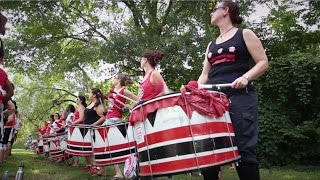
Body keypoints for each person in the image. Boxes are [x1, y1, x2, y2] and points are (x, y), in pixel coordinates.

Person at [198, 1, 268, 180]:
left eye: (215, 9)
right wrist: (196, 90)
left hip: (240, 98)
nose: (211, 13)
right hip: (213, 100)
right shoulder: (211, 45)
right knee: (209, 149)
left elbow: (262, 62)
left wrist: (245, 77)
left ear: (225, 11)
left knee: (243, 148)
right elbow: (205, 74)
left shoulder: (244, 34)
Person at [95, 73, 138, 177]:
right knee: (107, 145)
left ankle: (120, 171)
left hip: (114, 119)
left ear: (118, 80)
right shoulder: (112, 90)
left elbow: (138, 100)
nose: (113, 79)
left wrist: (128, 107)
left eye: (114, 78)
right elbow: (111, 105)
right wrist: (105, 111)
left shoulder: (124, 91)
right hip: (109, 117)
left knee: (107, 144)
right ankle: (116, 171)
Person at [81, 88, 105, 174]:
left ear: (94, 95)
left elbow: (103, 117)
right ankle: (94, 166)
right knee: (90, 149)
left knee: (96, 148)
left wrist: (93, 125)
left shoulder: (98, 105)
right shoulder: (90, 104)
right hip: (87, 129)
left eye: (90, 93)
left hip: (94, 129)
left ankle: (99, 168)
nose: (89, 95)